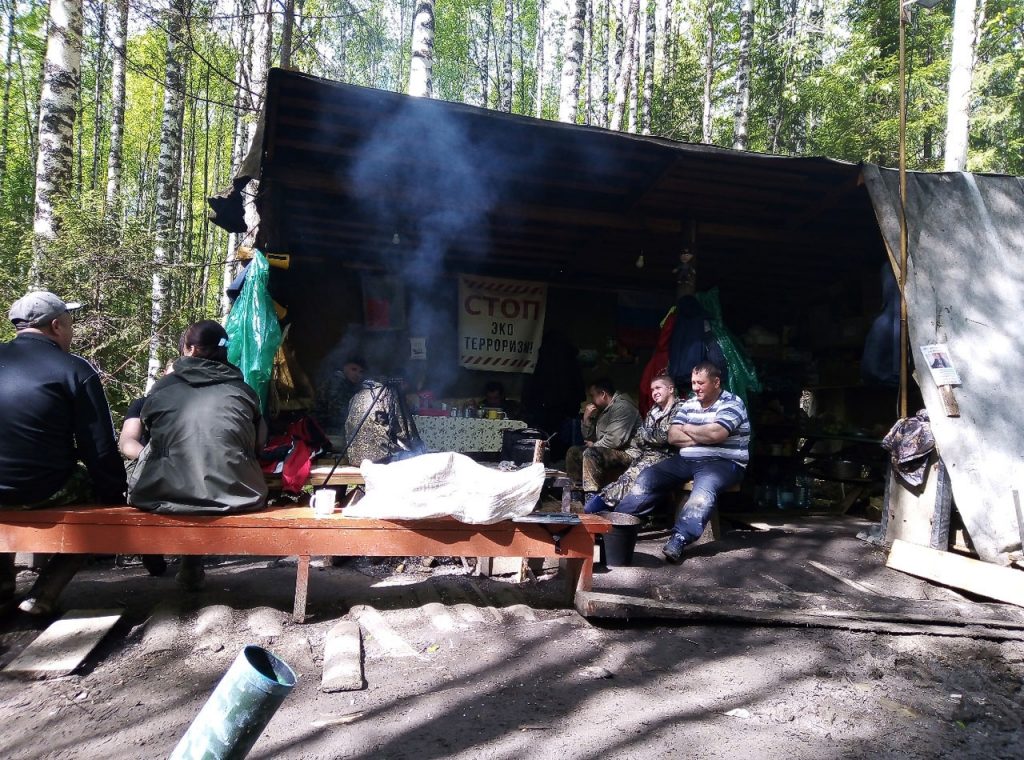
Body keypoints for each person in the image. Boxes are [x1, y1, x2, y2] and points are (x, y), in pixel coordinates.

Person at [0, 291, 127, 615]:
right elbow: (98, 447)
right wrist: (114, 497)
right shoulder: (74, 370)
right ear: (56, 326)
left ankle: (2, 584)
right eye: (70, 323)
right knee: (97, 499)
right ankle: (44, 593)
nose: (72, 330)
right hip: (44, 489)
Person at [127, 320, 268, 590]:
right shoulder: (244, 392)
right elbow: (259, 445)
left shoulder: (162, 389)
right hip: (237, 495)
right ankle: (190, 565)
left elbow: (150, 438)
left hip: (165, 494)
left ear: (190, 349)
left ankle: (173, 561)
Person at [613, 361, 749, 563]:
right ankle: (618, 520)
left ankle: (680, 537)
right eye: (694, 383)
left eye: (701, 383)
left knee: (703, 491)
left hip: (723, 462)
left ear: (716, 382)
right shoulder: (690, 403)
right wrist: (704, 435)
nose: (696, 387)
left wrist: (689, 429)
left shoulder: (732, 403)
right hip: (687, 459)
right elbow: (673, 436)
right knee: (648, 477)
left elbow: (717, 433)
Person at [584, 374, 682, 513]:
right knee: (624, 481)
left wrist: (650, 435)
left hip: (667, 457)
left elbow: (667, 437)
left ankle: (603, 508)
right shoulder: (654, 410)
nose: (654, 392)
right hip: (647, 455)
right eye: (652, 389)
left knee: (632, 481)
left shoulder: (680, 409)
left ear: (671, 389)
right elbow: (643, 436)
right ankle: (598, 506)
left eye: (658, 388)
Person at [118, 360, 175, 577]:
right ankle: (149, 547)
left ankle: (191, 562)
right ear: (163, 375)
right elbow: (127, 442)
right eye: (171, 374)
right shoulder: (142, 404)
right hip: (147, 465)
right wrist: (153, 460)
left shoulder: (194, 406)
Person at [564, 378, 640, 500]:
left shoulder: (622, 407)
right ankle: (576, 495)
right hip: (610, 450)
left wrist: (593, 445)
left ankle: (591, 497)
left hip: (628, 453)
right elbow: (590, 437)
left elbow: (614, 440)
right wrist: (586, 419)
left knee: (591, 453)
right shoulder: (604, 409)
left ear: (603, 394)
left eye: (592, 395)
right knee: (574, 452)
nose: (591, 400)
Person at [314, 354, 367, 434]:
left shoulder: (351, 385)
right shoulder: (336, 383)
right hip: (323, 430)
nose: (357, 374)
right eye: (353, 369)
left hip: (332, 428)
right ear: (345, 368)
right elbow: (336, 413)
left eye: (361, 372)